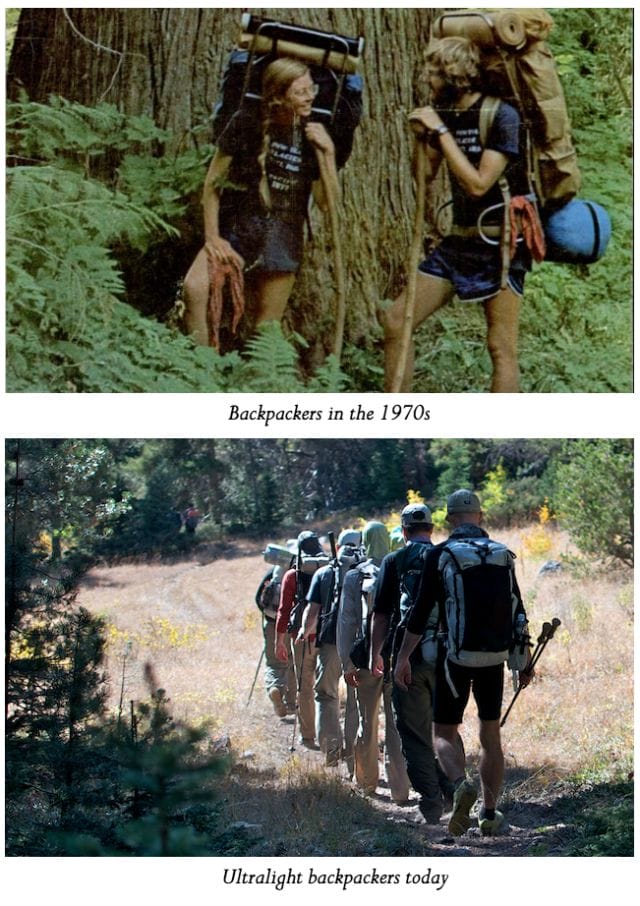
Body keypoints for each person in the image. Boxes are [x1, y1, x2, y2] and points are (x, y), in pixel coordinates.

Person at [383, 36, 531, 393]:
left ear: (456, 75)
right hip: (458, 242)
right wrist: (421, 139)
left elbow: (479, 184)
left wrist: (441, 132)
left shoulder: (502, 116)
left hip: (500, 245)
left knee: (500, 347)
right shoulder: (446, 113)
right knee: (395, 321)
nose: (427, 78)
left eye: (434, 72)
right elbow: (424, 176)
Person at [394, 489, 533, 837]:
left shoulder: (441, 554)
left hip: (454, 657)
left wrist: (403, 657)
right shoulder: (502, 553)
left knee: (443, 732)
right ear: (480, 517)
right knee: (490, 735)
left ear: (449, 519)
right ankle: (490, 813)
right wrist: (525, 661)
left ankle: (460, 785)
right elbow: (518, 608)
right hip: (494, 658)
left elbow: (419, 612)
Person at [183, 57, 339, 345]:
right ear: (279, 97)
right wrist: (212, 237)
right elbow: (212, 183)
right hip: (240, 226)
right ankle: (201, 365)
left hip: (283, 234)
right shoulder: (246, 123)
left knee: (266, 330)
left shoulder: (313, 134)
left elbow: (325, 203)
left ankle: (259, 373)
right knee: (194, 289)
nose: (310, 98)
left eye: (312, 89)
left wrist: (328, 153)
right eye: (300, 92)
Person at [370, 502, 448, 824]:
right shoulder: (447, 556)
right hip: (448, 658)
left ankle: (432, 804)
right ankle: (456, 791)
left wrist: (376, 653)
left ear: (403, 531)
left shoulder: (395, 560)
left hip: (410, 658)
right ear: (431, 528)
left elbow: (381, 614)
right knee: (446, 729)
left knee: (415, 734)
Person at [337, 521, 410, 804]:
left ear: (365, 543)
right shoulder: (401, 569)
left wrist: (346, 663)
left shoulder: (355, 576)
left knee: (367, 722)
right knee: (396, 724)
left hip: (367, 659)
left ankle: (367, 783)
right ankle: (400, 789)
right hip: (396, 656)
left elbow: (347, 622)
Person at [297, 529, 361, 770]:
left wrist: (304, 631)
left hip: (331, 642)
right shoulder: (366, 571)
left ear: (338, 547)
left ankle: (332, 751)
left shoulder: (324, 573)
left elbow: (312, 610)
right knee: (356, 701)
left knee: (326, 694)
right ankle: (355, 759)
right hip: (360, 646)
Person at [275, 531, 326, 748]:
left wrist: (279, 641)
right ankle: (328, 736)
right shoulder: (329, 570)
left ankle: (308, 735)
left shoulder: (292, 575)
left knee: (305, 687)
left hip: (301, 638)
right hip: (328, 636)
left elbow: (284, 610)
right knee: (326, 689)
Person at [255, 563, 296, 718]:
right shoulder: (300, 570)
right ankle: (291, 702)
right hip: (292, 625)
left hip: (272, 623)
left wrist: (269, 615)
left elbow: (258, 599)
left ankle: (275, 687)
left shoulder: (274, 572)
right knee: (293, 663)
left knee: (274, 663)